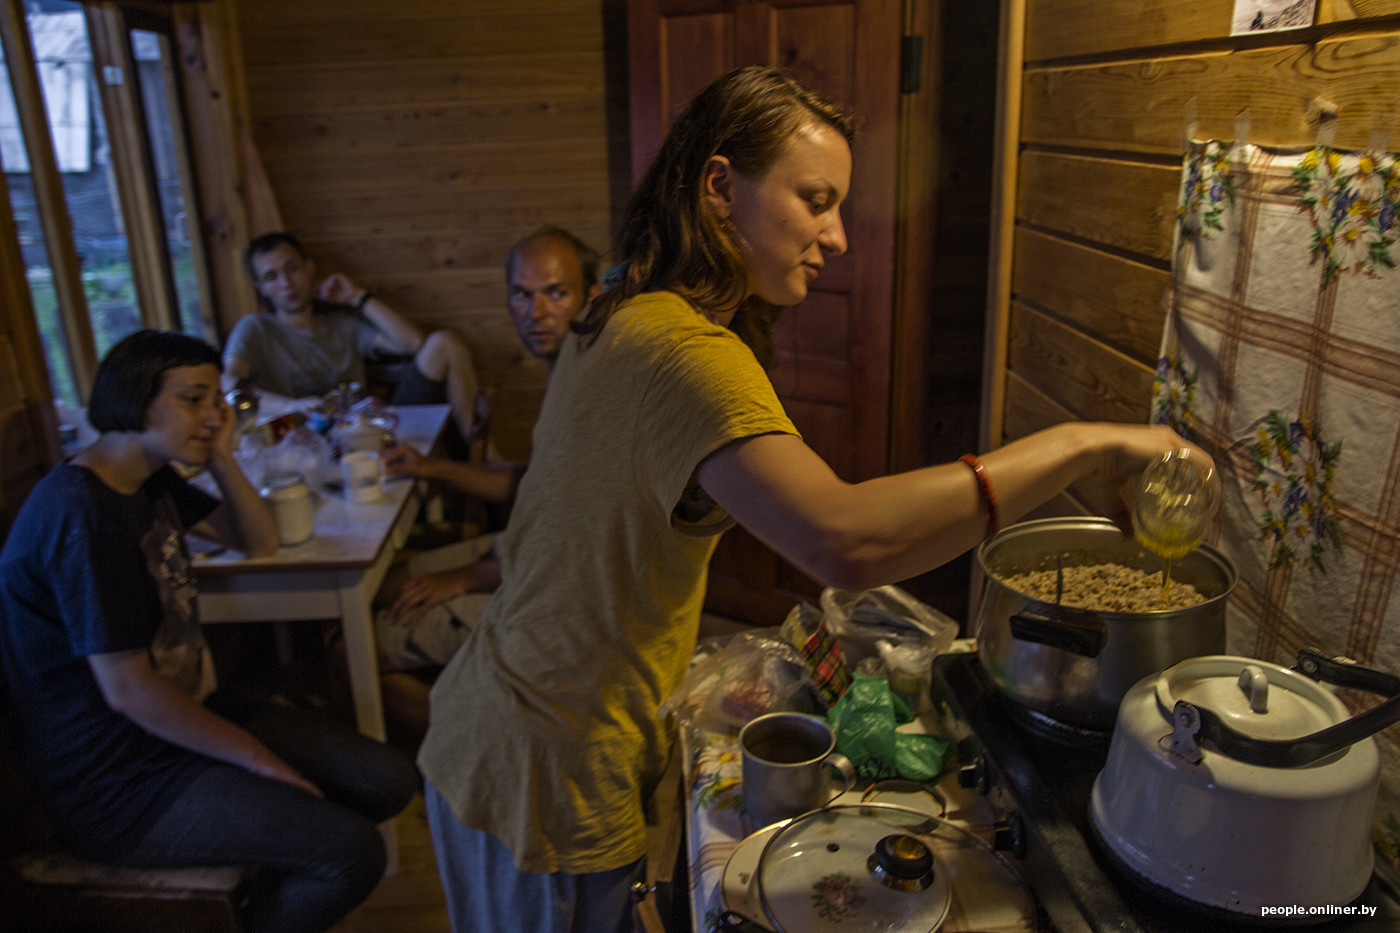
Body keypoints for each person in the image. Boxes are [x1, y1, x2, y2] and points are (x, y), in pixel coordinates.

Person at [417, 65, 1209, 933]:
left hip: (507, 716)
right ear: (720, 187)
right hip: (545, 753)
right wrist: (1079, 443)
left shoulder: (624, 303)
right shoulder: (684, 354)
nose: (836, 236)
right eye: (815, 200)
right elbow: (847, 542)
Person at [0, 330, 420, 933]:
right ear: (137, 400)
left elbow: (259, 539)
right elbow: (128, 691)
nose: (213, 414)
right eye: (193, 400)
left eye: (216, 399)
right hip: (115, 781)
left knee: (387, 780)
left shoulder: (144, 477)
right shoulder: (80, 515)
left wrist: (219, 454)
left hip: (176, 719)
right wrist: (254, 759)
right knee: (352, 854)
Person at [372, 227, 601, 726]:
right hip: (522, 554)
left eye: (556, 293)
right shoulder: (565, 369)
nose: (536, 312)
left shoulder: (594, 392)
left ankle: (480, 751)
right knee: (381, 586)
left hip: (559, 591)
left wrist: (466, 578)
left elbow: (583, 541)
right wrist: (431, 468)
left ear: (592, 295)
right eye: (522, 294)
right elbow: (534, 484)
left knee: (357, 648)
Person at [224, 231, 481, 455]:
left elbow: (412, 343)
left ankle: (482, 452)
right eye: (271, 277)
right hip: (300, 444)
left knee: (445, 342)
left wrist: (357, 297)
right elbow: (229, 385)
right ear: (261, 288)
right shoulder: (255, 329)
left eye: (292, 268)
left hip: (367, 434)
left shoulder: (342, 324)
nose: (286, 283)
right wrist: (292, 406)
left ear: (309, 268)